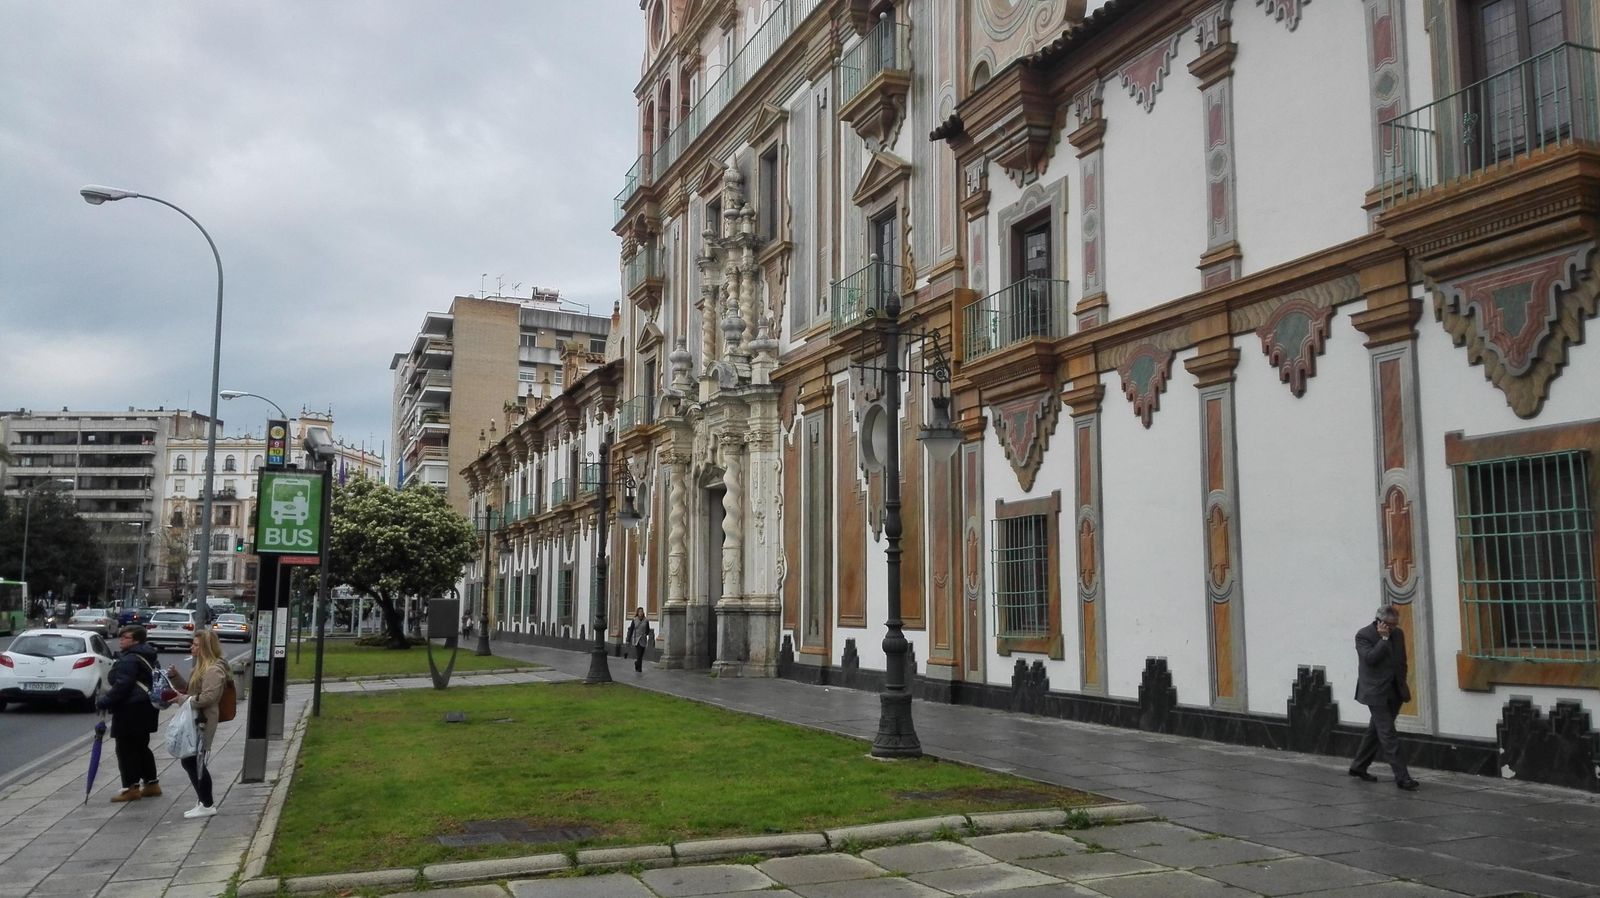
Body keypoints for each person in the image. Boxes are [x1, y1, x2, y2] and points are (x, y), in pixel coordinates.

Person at [1349, 604, 1419, 791]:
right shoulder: (1363, 635)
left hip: (1394, 690)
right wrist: (1384, 638)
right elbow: (1370, 659)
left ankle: (1358, 766)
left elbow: (1402, 661)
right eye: (1390, 625)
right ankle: (1403, 778)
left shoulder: (1399, 634)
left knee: (1375, 731)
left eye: (1396, 624)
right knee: (1388, 734)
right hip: (1375, 692)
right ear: (1380, 622)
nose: (1394, 628)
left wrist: (1402, 684)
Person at [165, 629, 229, 818]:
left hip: (203, 720)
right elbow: (191, 690)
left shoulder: (214, 669)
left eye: (196, 645)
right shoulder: (201, 667)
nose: (192, 648)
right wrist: (175, 677)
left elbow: (208, 697)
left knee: (193, 761)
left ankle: (207, 804)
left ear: (206, 648)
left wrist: (184, 699)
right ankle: (203, 800)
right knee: (191, 760)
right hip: (195, 717)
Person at [97, 626, 162, 802]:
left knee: (125, 749)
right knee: (141, 747)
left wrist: (104, 701)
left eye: (126, 637)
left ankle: (131, 788)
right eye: (121, 637)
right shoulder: (149, 656)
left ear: (136, 640)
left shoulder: (129, 659)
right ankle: (151, 784)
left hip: (130, 709)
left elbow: (123, 685)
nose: (121, 640)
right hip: (146, 706)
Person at [625, 607, 651, 673]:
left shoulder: (646, 620)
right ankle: (639, 669)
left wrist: (646, 634)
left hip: (643, 639)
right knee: (639, 654)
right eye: (639, 612)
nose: (641, 613)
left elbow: (648, 629)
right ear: (637, 612)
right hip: (637, 639)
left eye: (642, 611)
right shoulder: (634, 620)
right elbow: (631, 630)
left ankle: (637, 663)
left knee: (641, 654)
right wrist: (628, 639)